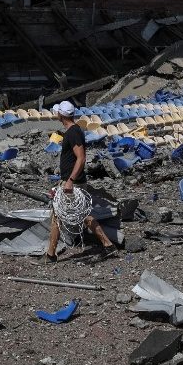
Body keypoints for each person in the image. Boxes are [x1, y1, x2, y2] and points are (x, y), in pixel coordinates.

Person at [45, 100, 118, 264]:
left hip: (73, 182)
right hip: (71, 181)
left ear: (61, 115)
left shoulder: (73, 132)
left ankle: (51, 255)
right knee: (66, 214)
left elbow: (81, 158)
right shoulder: (73, 130)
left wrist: (70, 180)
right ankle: (107, 245)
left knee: (69, 215)